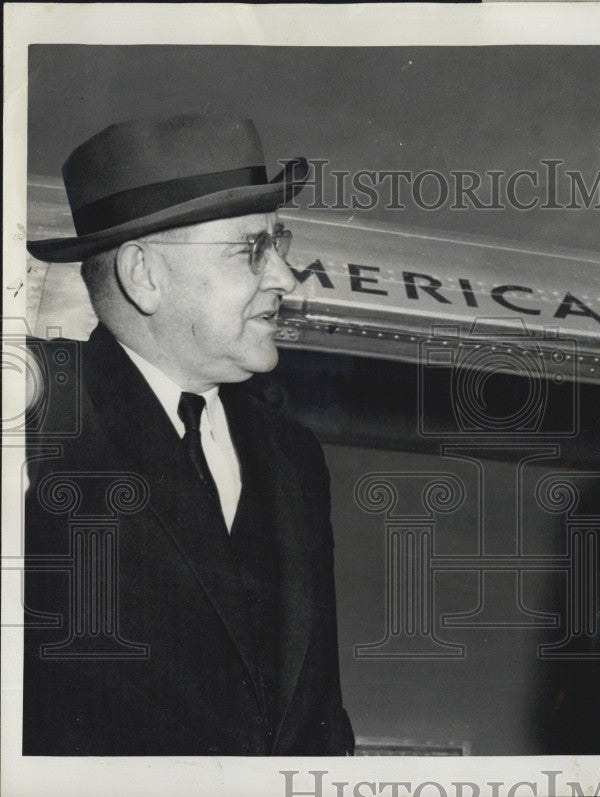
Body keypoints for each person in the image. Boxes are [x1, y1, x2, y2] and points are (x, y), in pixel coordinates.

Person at [23, 114, 354, 755]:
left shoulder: (295, 456)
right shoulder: (37, 419)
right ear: (144, 275)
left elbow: (321, 714)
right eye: (249, 249)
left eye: (278, 242)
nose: (286, 278)